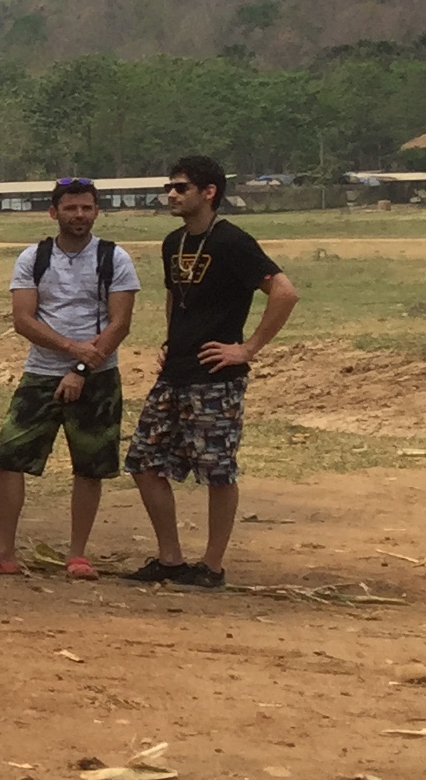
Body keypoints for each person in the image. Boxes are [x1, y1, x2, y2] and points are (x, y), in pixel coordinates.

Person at [125, 154, 298, 590]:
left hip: (216, 377)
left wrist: (248, 348)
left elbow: (284, 291)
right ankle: (171, 558)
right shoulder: (172, 242)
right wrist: (170, 341)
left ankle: (213, 565)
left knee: (217, 470)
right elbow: (174, 295)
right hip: (175, 372)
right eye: (170, 187)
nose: (171, 194)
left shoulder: (232, 242)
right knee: (143, 460)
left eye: (181, 187)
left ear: (209, 192)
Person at [0, 175, 138, 579]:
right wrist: (72, 351)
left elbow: (120, 323)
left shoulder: (114, 258)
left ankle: (78, 555)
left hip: (97, 376)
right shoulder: (33, 258)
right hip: (40, 373)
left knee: (89, 466)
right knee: (8, 458)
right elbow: (23, 320)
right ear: (54, 212)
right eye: (71, 208)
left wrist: (80, 368)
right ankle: (2, 551)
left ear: (96, 211)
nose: (79, 215)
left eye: (87, 207)